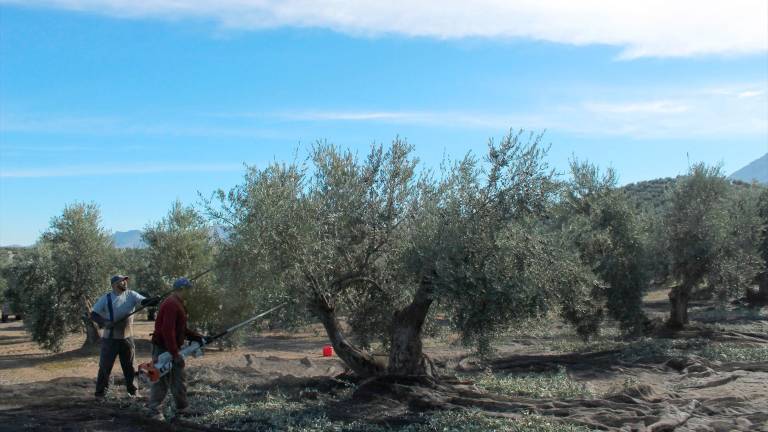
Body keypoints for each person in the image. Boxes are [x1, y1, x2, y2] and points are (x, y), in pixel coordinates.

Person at [91, 275, 160, 399]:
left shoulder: (131, 295)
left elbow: (144, 301)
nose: (124, 283)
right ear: (114, 285)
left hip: (127, 338)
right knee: (105, 367)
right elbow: (94, 314)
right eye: (121, 281)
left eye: (125, 281)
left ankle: (133, 392)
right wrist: (105, 322)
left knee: (130, 367)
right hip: (110, 340)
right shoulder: (106, 298)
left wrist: (153, 300)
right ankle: (100, 394)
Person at [147, 277, 205, 421]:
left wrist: (198, 337)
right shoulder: (171, 304)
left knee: (179, 378)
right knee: (161, 379)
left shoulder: (178, 303)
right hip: (163, 349)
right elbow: (168, 331)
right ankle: (154, 411)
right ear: (182, 289)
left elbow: (181, 329)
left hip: (172, 348)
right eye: (189, 289)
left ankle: (182, 408)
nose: (190, 292)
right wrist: (174, 353)